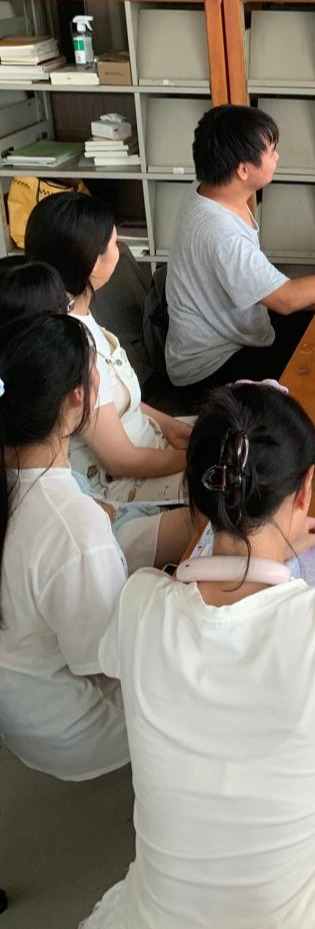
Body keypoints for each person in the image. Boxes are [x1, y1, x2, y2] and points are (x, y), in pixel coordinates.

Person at [82, 382, 315, 929]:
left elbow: (184, 630)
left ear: (196, 491)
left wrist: (270, 552)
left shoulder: (140, 602)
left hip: (158, 918)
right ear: (304, 491)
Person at [164, 105, 315, 398]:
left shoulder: (210, 189)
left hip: (237, 333)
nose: (277, 157)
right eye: (270, 151)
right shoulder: (221, 233)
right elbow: (285, 299)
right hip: (211, 369)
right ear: (243, 169)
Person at [0, 257, 193, 572]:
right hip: (103, 518)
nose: (69, 312)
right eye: (60, 311)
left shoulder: (33, 406)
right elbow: (117, 464)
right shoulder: (43, 433)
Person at [0, 314, 130, 780]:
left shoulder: (34, 498)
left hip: (26, 718)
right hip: (81, 734)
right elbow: (109, 665)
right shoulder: (71, 525)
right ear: (78, 396)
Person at [25, 192, 189, 502]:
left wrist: (172, 427)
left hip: (148, 444)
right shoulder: (72, 346)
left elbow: (116, 401)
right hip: (120, 485)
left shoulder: (73, 313)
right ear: (93, 263)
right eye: (114, 243)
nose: (120, 249)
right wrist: (196, 457)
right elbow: (121, 461)